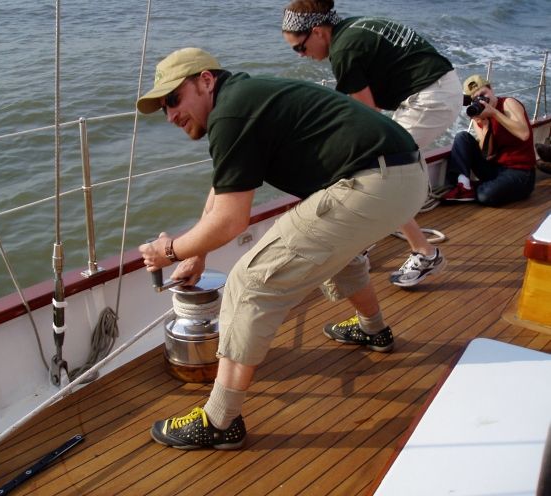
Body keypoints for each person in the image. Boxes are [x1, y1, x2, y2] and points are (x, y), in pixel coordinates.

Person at [136, 47, 428, 449]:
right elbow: (222, 191)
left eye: (173, 100)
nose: (170, 115)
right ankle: (374, 331)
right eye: (163, 108)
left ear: (205, 80)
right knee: (336, 252)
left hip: (374, 180)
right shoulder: (242, 99)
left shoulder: (231, 111)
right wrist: (195, 253)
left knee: (251, 281)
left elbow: (230, 220)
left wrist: (167, 251)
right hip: (403, 174)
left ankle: (219, 421)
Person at [280, 0, 463, 348]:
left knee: (382, 172)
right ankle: (414, 249)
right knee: (384, 173)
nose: (301, 55)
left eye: (300, 48)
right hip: (439, 88)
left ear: (318, 32)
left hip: (429, 98)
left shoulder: (344, 51)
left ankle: (420, 253)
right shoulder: (356, 27)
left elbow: (368, 116)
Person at [443, 74, 536, 205]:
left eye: (483, 94)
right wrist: (485, 127)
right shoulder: (479, 115)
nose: (481, 100)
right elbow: (488, 154)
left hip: (520, 171)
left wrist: (494, 113)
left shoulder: (508, 103)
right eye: (476, 99)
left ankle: (477, 188)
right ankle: (463, 186)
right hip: (496, 168)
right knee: (462, 137)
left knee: (484, 195)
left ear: (491, 89)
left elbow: (524, 134)